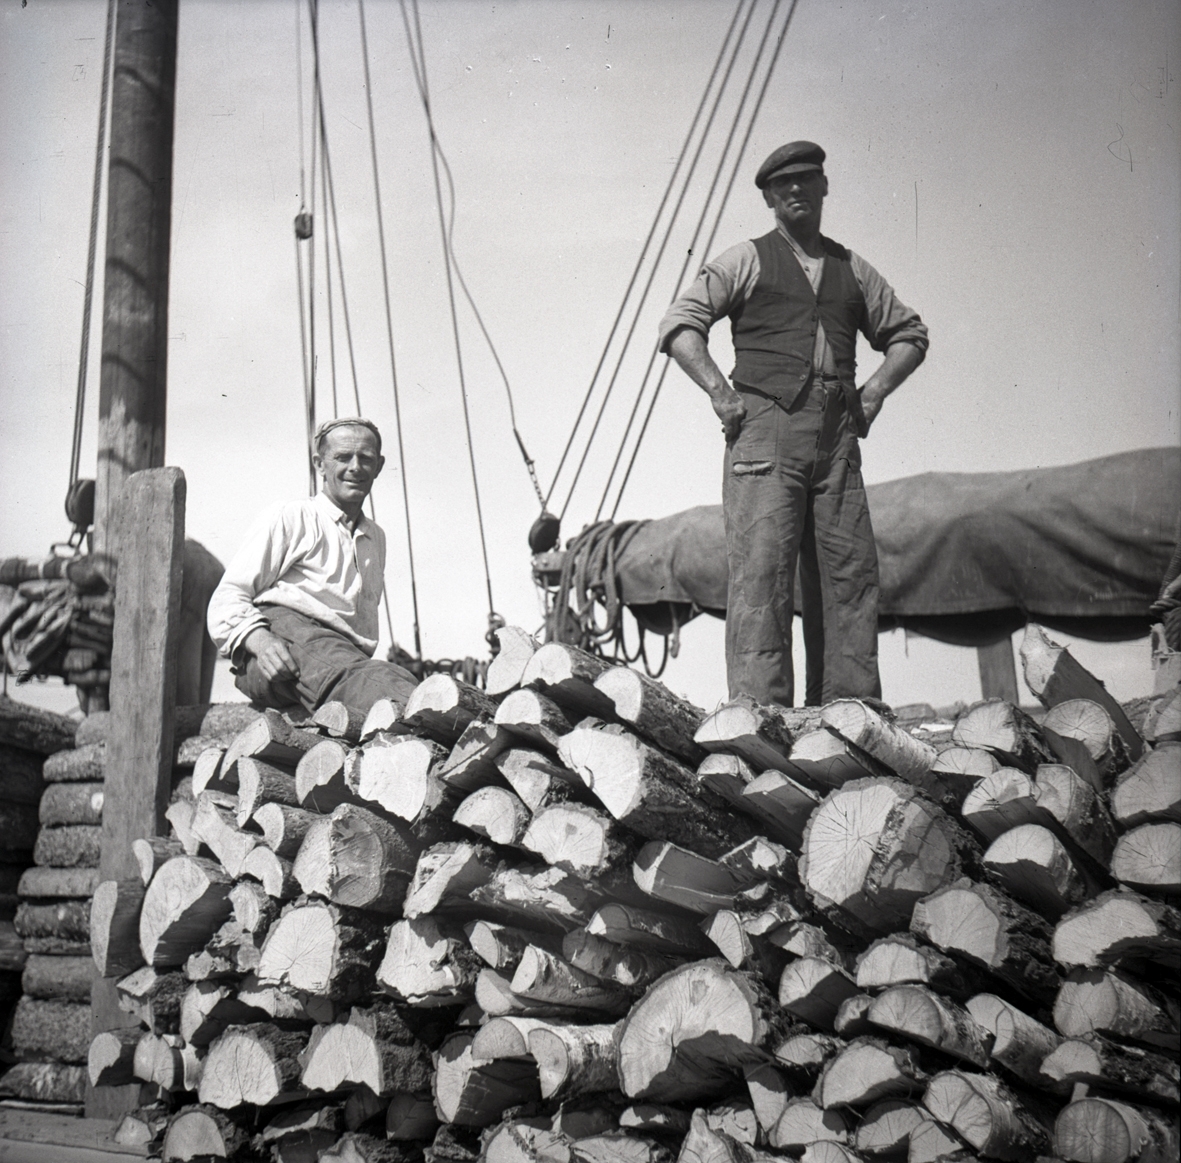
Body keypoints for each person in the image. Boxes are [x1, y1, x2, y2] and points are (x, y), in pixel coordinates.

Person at [659, 141, 929, 707]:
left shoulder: (852, 269)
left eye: (807, 180)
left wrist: (873, 394)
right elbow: (682, 325)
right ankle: (761, 717)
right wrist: (721, 394)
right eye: (784, 186)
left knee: (848, 572)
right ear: (769, 198)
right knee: (762, 570)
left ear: (824, 187)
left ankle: (851, 716)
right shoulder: (745, 259)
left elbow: (909, 335)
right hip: (763, 429)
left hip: (837, 436)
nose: (797, 191)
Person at [207, 416, 417, 716]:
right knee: (383, 690)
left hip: (340, 658)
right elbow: (224, 600)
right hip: (280, 645)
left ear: (379, 466)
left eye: (366, 458)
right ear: (320, 464)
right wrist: (262, 642)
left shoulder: (375, 538)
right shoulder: (292, 517)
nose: (355, 467)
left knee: (392, 679)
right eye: (343, 457)